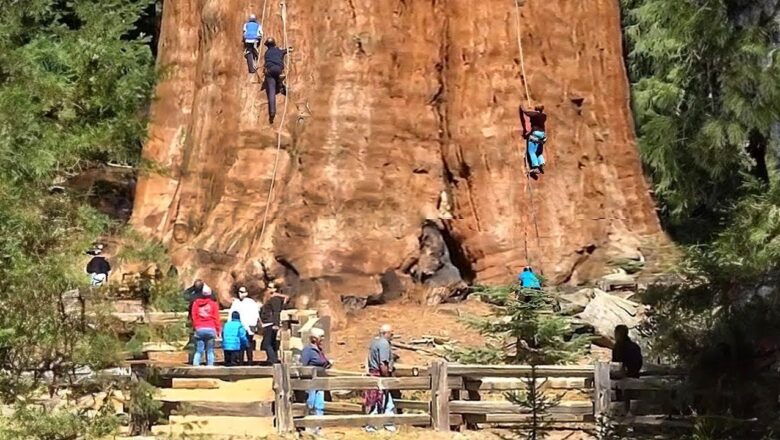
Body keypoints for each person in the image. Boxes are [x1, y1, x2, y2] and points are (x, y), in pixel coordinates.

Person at [364, 324, 397, 433]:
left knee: (383, 401)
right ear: (385, 333)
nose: (392, 335)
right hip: (380, 375)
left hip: (373, 374)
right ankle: (382, 423)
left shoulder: (374, 342)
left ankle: (385, 422)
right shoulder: (384, 343)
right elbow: (383, 363)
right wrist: (386, 377)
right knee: (380, 399)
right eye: (391, 333)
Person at [300, 327, 332, 435]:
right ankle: (309, 425)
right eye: (321, 337)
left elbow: (324, 362)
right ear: (314, 338)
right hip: (311, 382)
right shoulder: (308, 350)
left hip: (320, 381)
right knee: (311, 402)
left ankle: (318, 426)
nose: (322, 339)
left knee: (319, 404)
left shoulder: (319, 351)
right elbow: (303, 365)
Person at [262, 38, 293, 124]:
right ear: (274, 44)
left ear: (267, 46)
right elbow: (284, 51)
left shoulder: (266, 53)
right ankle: (281, 86)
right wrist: (289, 49)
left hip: (270, 71)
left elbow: (266, 64)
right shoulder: (278, 50)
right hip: (279, 70)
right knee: (279, 78)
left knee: (271, 91)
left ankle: (272, 112)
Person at [229, 286, 261, 365]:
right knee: (240, 346)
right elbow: (231, 314)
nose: (240, 294)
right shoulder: (236, 303)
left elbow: (255, 315)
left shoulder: (251, 303)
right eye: (239, 292)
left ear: (246, 293)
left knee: (249, 346)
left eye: (243, 292)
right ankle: (241, 362)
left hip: (249, 327)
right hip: (239, 327)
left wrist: (253, 325)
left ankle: (250, 362)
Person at [191, 288, 221, 367]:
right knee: (210, 350)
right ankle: (210, 366)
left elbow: (194, 316)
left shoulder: (195, 303)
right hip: (211, 328)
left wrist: (195, 326)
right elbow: (216, 318)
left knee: (199, 350)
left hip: (199, 328)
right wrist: (218, 330)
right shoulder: (213, 304)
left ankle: (196, 364)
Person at [259, 283, 288, 364]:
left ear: (275, 289)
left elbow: (276, 312)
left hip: (271, 323)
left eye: (271, 287)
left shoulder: (275, 299)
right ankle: (271, 358)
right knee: (271, 342)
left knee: (266, 343)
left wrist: (276, 324)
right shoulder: (269, 298)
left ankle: (273, 359)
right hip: (267, 323)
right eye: (268, 287)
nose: (269, 289)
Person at [519, 104, 547, 175]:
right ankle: (541, 163)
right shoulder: (544, 116)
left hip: (535, 134)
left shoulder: (535, 114)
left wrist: (522, 108)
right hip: (542, 134)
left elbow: (526, 113)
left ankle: (536, 167)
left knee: (532, 151)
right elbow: (533, 114)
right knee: (539, 152)